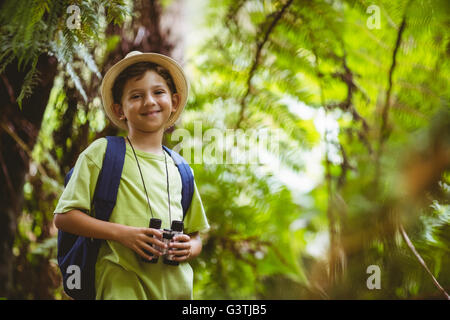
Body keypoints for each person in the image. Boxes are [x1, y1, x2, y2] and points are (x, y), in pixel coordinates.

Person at [53, 51, 209, 299]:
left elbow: (196, 236)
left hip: (176, 291)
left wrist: (189, 248)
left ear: (175, 101)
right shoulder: (103, 153)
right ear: (120, 109)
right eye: (136, 96)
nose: (149, 101)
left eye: (158, 92)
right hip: (120, 285)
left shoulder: (182, 170)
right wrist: (124, 234)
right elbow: (64, 217)